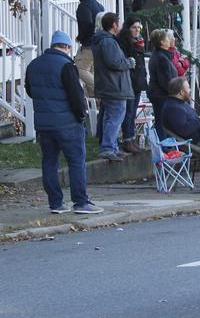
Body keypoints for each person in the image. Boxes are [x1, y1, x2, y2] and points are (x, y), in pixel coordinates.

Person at [24, 31, 104, 215]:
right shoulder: (67, 65)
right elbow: (76, 96)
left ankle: (56, 203)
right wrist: (81, 116)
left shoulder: (33, 65)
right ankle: (80, 202)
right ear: (67, 47)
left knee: (50, 162)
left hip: (44, 124)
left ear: (52, 45)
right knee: (76, 161)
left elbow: (30, 90)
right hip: (67, 123)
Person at [92, 13, 135, 161]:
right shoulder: (108, 42)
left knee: (110, 117)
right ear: (114, 25)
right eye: (119, 23)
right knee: (115, 117)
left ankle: (112, 146)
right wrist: (129, 62)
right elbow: (114, 62)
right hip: (114, 86)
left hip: (109, 85)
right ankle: (108, 147)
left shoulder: (103, 40)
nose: (121, 26)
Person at [117, 16, 147, 154]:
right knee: (128, 112)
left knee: (133, 112)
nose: (137, 30)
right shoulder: (124, 42)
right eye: (134, 27)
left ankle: (132, 137)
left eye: (139, 27)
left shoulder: (139, 42)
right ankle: (127, 139)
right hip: (130, 81)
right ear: (128, 28)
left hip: (138, 81)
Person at [73, 0, 105, 98]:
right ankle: (94, 103)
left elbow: (86, 23)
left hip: (89, 45)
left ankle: (102, 90)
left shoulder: (83, 6)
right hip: (99, 44)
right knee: (91, 72)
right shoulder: (99, 6)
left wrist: (80, 37)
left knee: (80, 69)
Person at [146, 28, 178, 138]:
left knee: (162, 121)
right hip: (161, 95)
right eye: (166, 38)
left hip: (159, 94)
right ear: (161, 42)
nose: (169, 40)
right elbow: (165, 81)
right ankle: (165, 147)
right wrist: (176, 91)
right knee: (162, 122)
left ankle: (166, 145)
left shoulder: (161, 56)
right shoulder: (161, 58)